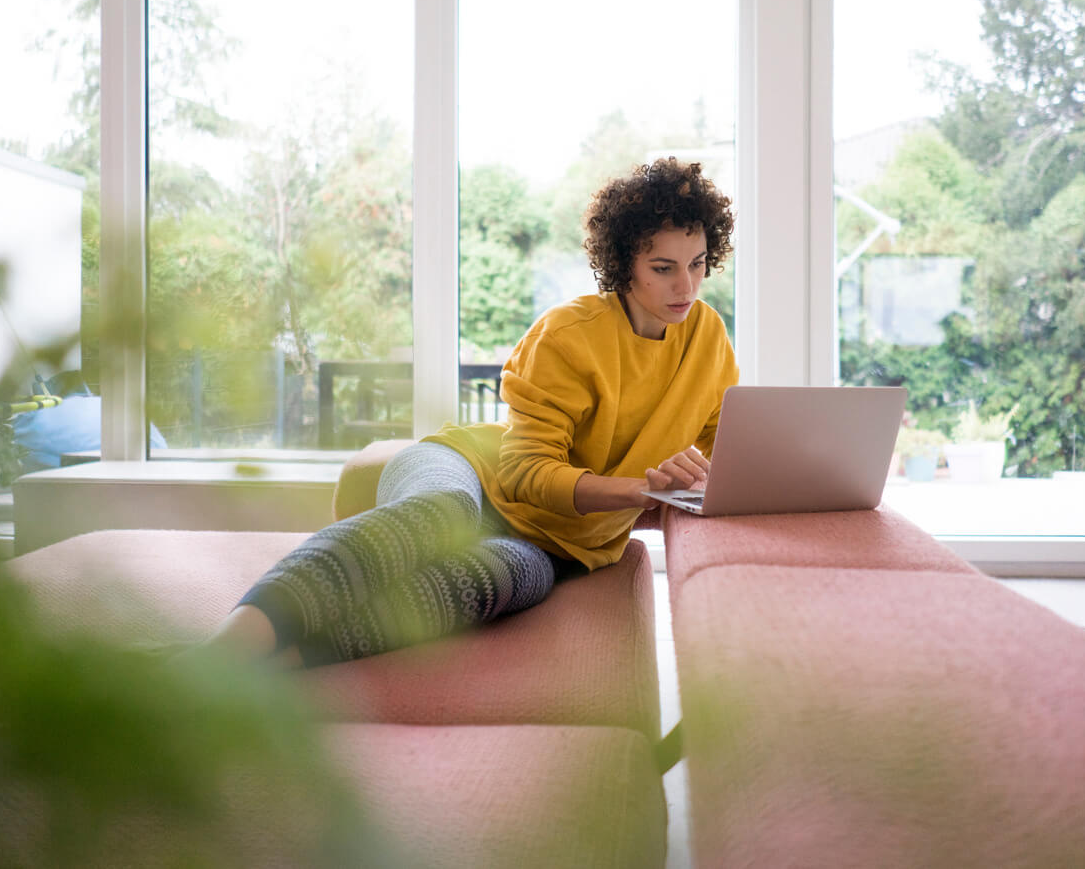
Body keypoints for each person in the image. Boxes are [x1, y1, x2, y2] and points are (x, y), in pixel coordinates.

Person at [203, 156, 739, 668]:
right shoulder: (570, 335)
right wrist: (640, 490)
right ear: (624, 265)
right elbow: (527, 473)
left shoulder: (708, 336)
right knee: (441, 514)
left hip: (556, 547)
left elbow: (726, 450)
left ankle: (282, 665)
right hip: (471, 473)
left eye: (696, 265)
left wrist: (701, 480)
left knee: (502, 578)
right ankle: (223, 652)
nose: (686, 286)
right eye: (663, 268)